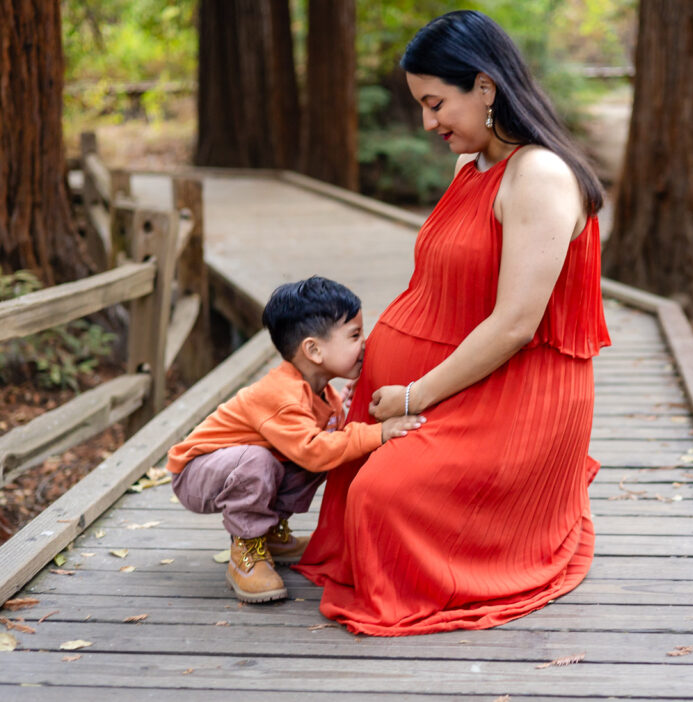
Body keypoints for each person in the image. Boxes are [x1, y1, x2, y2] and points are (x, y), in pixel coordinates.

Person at [293, 10, 611, 635]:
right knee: (349, 477)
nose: (427, 122)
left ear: (485, 87)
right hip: (442, 390)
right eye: (422, 105)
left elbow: (516, 324)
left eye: (435, 103)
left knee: (380, 496)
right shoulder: (471, 165)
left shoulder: (539, 175)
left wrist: (413, 394)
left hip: (510, 400)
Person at [166, 276, 423, 603]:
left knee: (326, 450)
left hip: (238, 466)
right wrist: (379, 432)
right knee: (269, 459)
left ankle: (271, 533)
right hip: (195, 472)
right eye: (355, 335)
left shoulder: (323, 394)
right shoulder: (281, 395)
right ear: (313, 350)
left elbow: (330, 447)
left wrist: (353, 404)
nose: (365, 344)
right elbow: (314, 451)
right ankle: (247, 547)